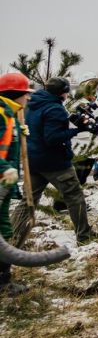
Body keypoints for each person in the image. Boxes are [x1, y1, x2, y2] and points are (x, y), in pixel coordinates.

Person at [11, 77, 98, 246]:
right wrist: (76, 130)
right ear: (62, 92)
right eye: (66, 92)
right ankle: (84, 235)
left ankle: (13, 238)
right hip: (55, 162)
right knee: (75, 196)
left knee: (29, 201)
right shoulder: (55, 109)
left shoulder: (32, 104)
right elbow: (52, 138)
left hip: (34, 160)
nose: (68, 95)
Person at [0, 72, 32, 295]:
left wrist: (18, 131)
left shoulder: (10, 114)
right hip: (2, 179)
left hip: (5, 183)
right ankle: (2, 281)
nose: (28, 99)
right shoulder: (2, 114)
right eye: (26, 95)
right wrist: (6, 169)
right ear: (16, 94)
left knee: (3, 227)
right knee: (2, 229)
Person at [65, 75, 98, 186]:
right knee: (77, 175)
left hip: (92, 142)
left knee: (85, 174)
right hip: (78, 142)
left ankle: (79, 199)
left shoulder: (97, 104)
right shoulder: (74, 103)